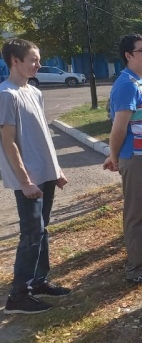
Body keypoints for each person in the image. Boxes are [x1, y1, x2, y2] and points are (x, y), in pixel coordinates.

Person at [0, 39, 71, 315]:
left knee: (42, 230)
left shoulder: (34, 91)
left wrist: (56, 170)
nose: (38, 64)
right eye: (33, 59)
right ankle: (18, 297)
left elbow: (42, 135)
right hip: (27, 179)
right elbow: (8, 142)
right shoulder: (7, 94)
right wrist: (25, 180)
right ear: (15, 61)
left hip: (45, 174)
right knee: (31, 234)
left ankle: (38, 281)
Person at [103, 34, 142, 284]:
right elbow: (119, 128)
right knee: (136, 214)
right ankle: (137, 270)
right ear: (129, 56)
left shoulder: (141, 81)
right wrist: (114, 155)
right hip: (138, 158)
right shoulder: (127, 84)